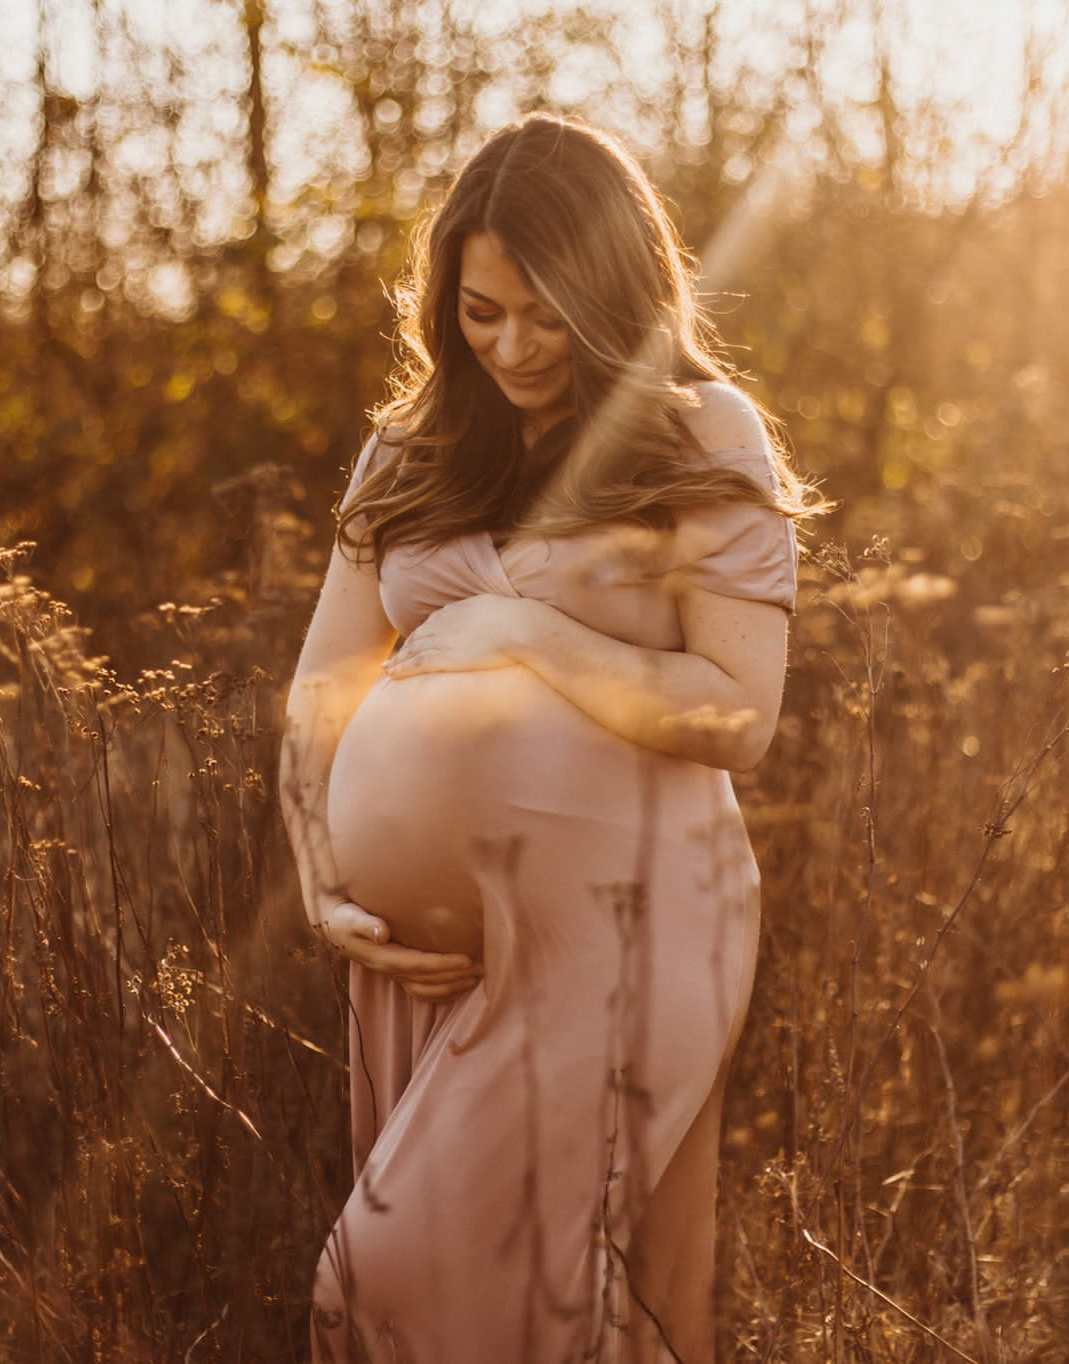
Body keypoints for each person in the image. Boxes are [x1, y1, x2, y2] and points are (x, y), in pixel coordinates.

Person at [278, 111, 820, 1362]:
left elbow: (739, 712)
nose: (512, 346)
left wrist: (530, 636)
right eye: (480, 312)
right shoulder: (406, 452)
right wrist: (319, 873)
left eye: (544, 313)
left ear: (612, 286)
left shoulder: (700, 429)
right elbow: (321, 692)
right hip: (420, 959)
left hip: (626, 925)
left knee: (392, 1277)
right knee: (550, 1309)